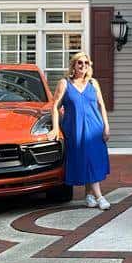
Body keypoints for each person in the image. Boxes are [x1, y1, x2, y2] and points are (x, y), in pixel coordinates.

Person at [51, 51, 112, 210]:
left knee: (92, 159)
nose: (83, 66)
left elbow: (101, 105)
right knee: (85, 159)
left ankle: (92, 195)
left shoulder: (93, 83)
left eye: (86, 63)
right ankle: (97, 196)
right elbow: (55, 106)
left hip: (94, 128)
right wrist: (56, 128)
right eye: (80, 63)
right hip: (74, 128)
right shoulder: (64, 83)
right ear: (73, 65)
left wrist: (106, 125)